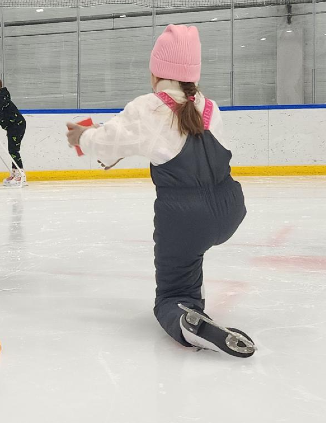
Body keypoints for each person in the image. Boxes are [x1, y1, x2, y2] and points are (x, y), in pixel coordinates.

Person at [66, 25, 255, 357]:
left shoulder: (149, 107)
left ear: (156, 73)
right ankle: (192, 303)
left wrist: (81, 137)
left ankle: (186, 317)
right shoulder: (208, 106)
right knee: (190, 253)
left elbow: (107, 143)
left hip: (185, 215)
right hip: (230, 206)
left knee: (171, 295)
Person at [0, 76, 27, 185]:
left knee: (13, 150)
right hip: (11, 126)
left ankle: (21, 175)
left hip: (17, 125)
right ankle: (14, 173)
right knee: (12, 150)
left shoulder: (0, 97)